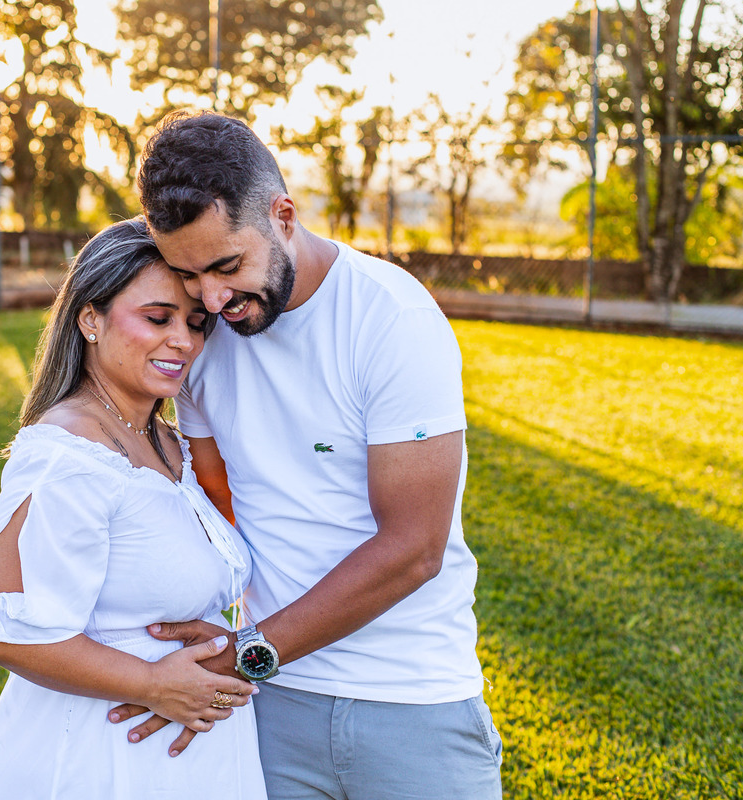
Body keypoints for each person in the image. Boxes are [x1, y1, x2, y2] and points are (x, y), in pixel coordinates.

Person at [109, 112, 503, 799]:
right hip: (268, 703)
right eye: (189, 275)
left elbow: (414, 548)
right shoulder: (202, 341)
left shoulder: (391, 319)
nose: (212, 300)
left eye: (227, 266)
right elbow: (217, 503)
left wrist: (249, 651)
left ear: (284, 216)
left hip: (412, 700)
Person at [0, 218, 266, 799]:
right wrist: (150, 682)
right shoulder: (68, 454)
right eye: (158, 318)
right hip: (97, 763)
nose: (183, 341)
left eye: (196, 324)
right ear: (90, 319)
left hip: (187, 764)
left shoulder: (168, 441)